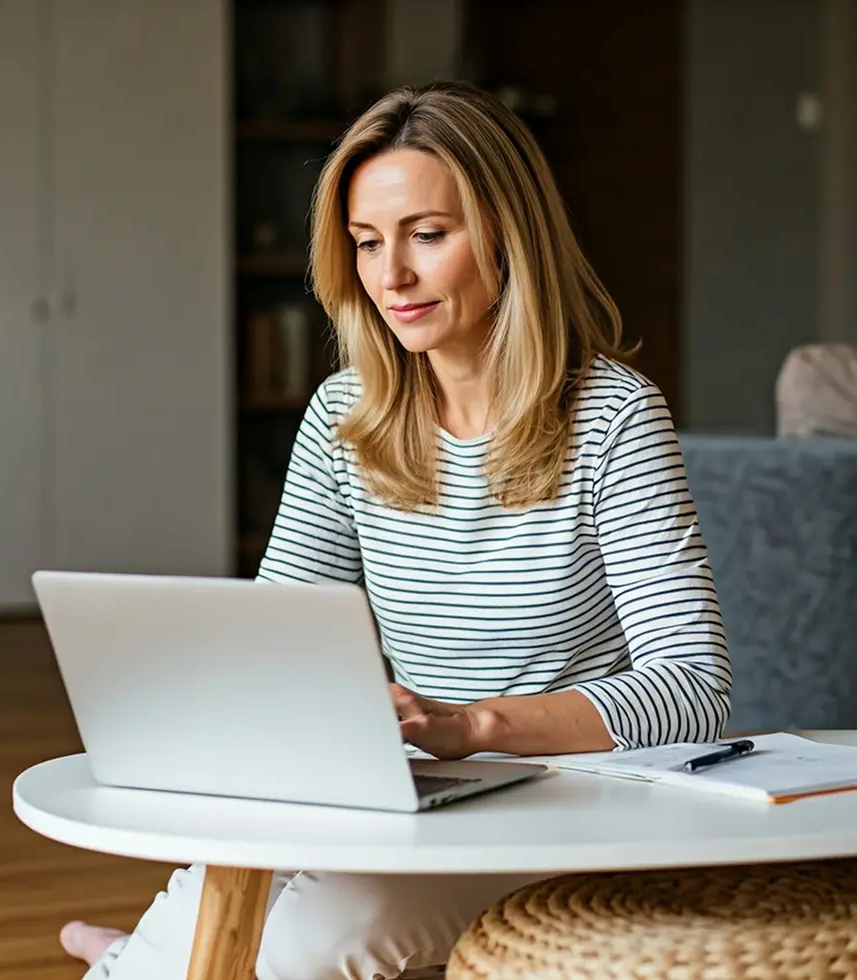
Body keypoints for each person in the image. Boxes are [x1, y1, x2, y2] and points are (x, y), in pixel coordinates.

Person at [59, 80, 730, 980]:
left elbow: (693, 691)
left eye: (426, 234)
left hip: (568, 796)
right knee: (210, 915)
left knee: (300, 945)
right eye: (367, 243)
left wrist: (470, 725)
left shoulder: (611, 416)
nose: (391, 277)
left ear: (505, 233)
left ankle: (123, 960)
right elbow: (274, 636)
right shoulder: (349, 415)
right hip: (403, 784)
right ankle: (128, 959)